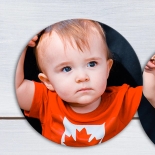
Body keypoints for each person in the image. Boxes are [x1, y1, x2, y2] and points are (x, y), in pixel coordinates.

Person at [15, 19, 142, 147]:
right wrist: (22, 45)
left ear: (107, 69)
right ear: (48, 82)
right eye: (66, 69)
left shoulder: (124, 100)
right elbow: (15, 90)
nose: (82, 77)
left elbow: (154, 96)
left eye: (92, 64)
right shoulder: (46, 100)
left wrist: (152, 69)